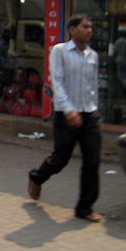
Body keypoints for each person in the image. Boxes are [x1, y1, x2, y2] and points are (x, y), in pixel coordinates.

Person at [28, 13, 103, 223]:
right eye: (85, 26)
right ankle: (37, 177)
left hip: (89, 115)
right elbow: (57, 83)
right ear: (72, 29)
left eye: (91, 27)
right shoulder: (60, 51)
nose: (90, 30)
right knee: (60, 160)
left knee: (93, 161)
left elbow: (92, 86)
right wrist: (69, 110)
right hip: (66, 115)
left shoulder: (93, 56)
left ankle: (84, 208)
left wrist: (95, 109)